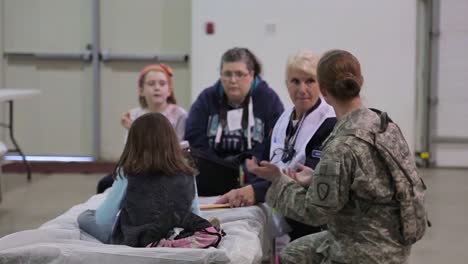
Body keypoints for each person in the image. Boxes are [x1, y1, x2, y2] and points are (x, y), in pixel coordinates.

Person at [246, 50, 415, 263]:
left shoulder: (341, 145)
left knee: (290, 256)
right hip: (394, 241)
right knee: (292, 252)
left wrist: (277, 181)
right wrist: (316, 176)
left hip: (363, 248)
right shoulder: (385, 125)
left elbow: (315, 212)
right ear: (360, 82)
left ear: (323, 91)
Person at [216, 50, 336, 241]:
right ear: (286, 84)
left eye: (310, 81)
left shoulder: (329, 122)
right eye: (295, 81)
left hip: (312, 226)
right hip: (279, 210)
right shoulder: (285, 117)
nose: (302, 89)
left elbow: (307, 176)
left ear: (321, 84)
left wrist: (255, 191)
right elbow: (261, 159)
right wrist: (247, 170)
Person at [79, 113, 215, 247]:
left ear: (134, 143)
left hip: (132, 240)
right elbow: (195, 215)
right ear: (172, 140)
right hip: (166, 235)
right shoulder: (187, 173)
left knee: (85, 216)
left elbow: (104, 218)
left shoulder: (128, 172)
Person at [185, 47, 284, 197]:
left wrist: (250, 164)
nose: (232, 80)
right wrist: (219, 168)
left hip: (253, 176)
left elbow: (276, 139)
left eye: (239, 74)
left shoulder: (268, 100)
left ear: (251, 75)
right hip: (213, 175)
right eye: (227, 74)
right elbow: (194, 138)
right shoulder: (206, 99)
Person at [97, 63, 187, 194]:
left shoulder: (179, 115)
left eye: (162, 84)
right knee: (105, 184)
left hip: (167, 170)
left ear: (169, 90)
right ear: (141, 90)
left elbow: (178, 148)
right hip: (139, 169)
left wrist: (135, 128)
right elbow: (131, 150)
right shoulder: (134, 115)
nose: (157, 88)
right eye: (151, 84)